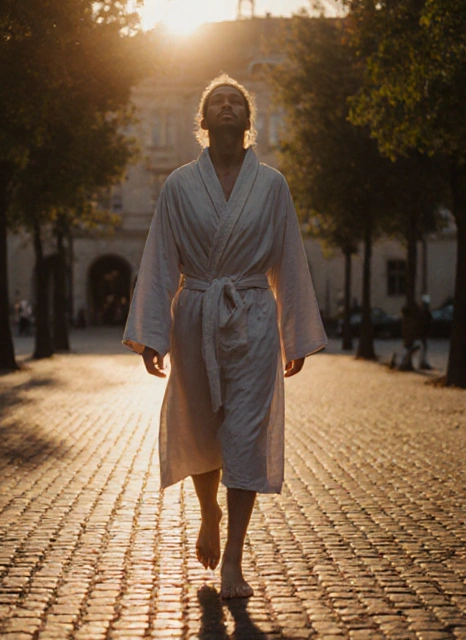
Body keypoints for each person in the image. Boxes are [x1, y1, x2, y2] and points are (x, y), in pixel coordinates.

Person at [123, 75, 325, 599]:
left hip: (254, 317)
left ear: (248, 119)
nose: (228, 105)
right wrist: (152, 335)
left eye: (237, 100)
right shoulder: (178, 185)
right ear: (204, 120)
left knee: (245, 436)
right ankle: (207, 513)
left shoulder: (273, 184)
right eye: (218, 101)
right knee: (203, 427)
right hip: (197, 315)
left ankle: (234, 556)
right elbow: (161, 259)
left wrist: (294, 336)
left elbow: (289, 258)